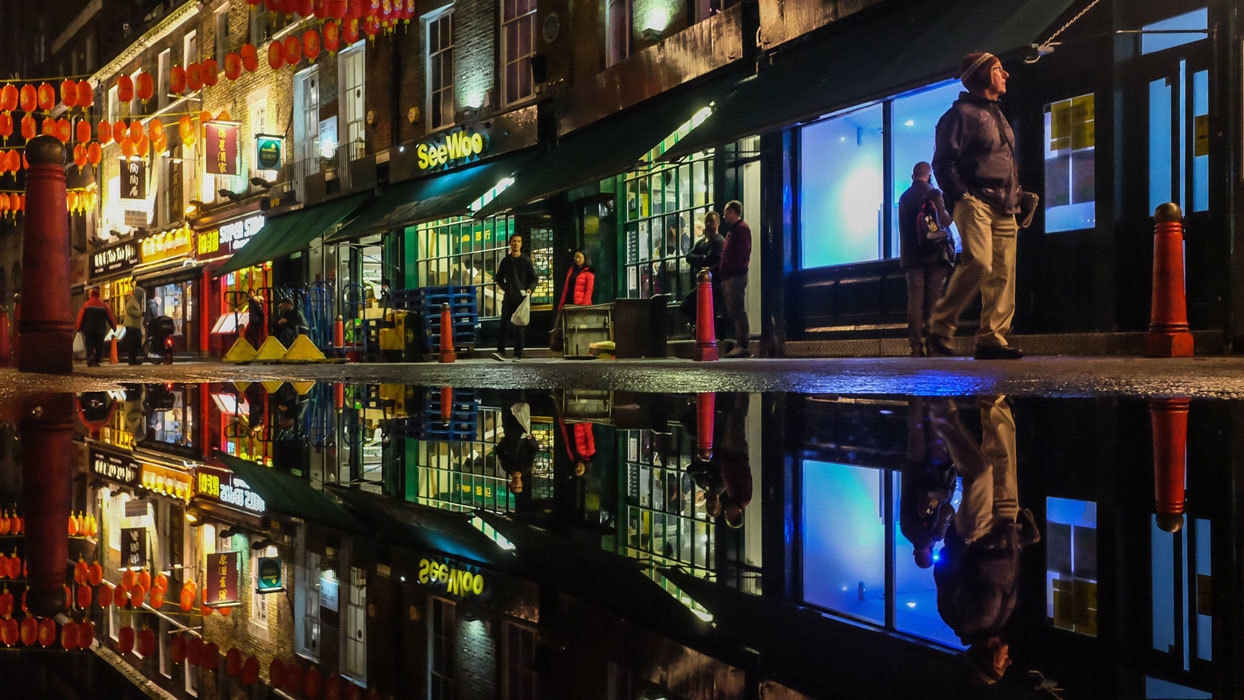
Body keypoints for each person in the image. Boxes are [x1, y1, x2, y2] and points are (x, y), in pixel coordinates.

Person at [930, 396, 1040, 685]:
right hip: (1005, 530)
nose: (1009, 660)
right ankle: (993, 402)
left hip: (977, 534)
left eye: (1002, 665)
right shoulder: (996, 623)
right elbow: (1004, 575)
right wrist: (1020, 542)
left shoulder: (968, 619)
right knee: (1003, 457)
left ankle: (941, 417)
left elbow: (946, 572)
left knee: (980, 475)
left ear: (987, 660)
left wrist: (962, 543)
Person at [927, 52, 1024, 360]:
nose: (1006, 74)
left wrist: (1019, 194)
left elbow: (1002, 160)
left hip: (1005, 204)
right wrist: (962, 196)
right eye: (998, 69)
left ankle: (992, 338)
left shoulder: (995, 112)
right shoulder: (960, 116)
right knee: (981, 262)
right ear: (983, 75)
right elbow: (943, 162)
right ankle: (941, 325)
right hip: (976, 200)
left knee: (1003, 273)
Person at [898, 162, 955, 356]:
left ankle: (915, 346)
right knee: (934, 301)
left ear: (912, 176)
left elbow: (905, 230)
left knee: (915, 302)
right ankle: (932, 345)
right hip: (936, 255)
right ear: (929, 176)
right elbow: (946, 221)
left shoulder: (904, 197)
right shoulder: (935, 193)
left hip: (913, 257)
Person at [492, 233, 538, 361]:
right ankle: (500, 352)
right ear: (510, 243)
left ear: (521, 244)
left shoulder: (526, 261)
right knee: (504, 324)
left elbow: (534, 278)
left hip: (521, 297)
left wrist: (530, 289)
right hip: (508, 297)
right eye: (513, 241)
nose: (516, 243)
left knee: (519, 326)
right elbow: (499, 278)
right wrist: (506, 288)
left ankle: (518, 354)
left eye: (518, 241)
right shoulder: (506, 261)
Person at [679, 211, 726, 329]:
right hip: (703, 283)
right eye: (707, 221)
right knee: (687, 305)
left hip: (714, 284)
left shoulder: (719, 241)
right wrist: (702, 258)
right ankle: (700, 326)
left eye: (712, 221)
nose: (709, 224)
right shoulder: (702, 242)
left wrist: (702, 260)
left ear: (718, 223)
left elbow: (710, 260)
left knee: (693, 305)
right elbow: (689, 256)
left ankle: (702, 328)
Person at [719, 200, 752, 358]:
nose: (724, 214)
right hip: (729, 275)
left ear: (734, 212)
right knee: (733, 311)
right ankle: (739, 343)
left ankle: (743, 344)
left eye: (726, 211)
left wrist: (729, 267)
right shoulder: (733, 230)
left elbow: (742, 254)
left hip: (735, 276)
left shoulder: (741, 229)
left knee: (738, 310)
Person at [75, 288, 116, 366]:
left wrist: (78, 327)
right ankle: (97, 360)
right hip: (100, 330)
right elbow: (110, 317)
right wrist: (114, 326)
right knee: (99, 345)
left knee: (89, 344)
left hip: (88, 330)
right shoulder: (103, 305)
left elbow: (80, 317)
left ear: (91, 295)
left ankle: (90, 357)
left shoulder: (86, 305)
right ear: (99, 295)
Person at [122, 287, 146, 365]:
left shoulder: (135, 301)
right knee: (132, 342)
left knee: (135, 342)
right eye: (141, 294)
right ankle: (132, 359)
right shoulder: (132, 300)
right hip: (132, 325)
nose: (142, 296)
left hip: (134, 325)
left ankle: (134, 358)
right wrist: (140, 314)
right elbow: (130, 310)